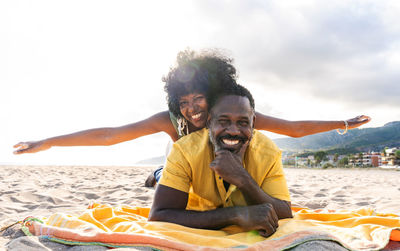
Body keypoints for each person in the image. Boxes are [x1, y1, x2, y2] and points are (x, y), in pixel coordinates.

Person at [13, 49, 370, 185]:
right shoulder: (171, 119)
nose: (192, 107)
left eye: (199, 97)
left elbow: (292, 129)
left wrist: (342, 124)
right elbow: (111, 135)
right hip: (183, 169)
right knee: (165, 177)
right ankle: (158, 172)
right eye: (184, 100)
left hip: (218, 171)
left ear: (213, 95)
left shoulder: (233, 118)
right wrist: (47, 142)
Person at [149, 84, 291, 237]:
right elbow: (159, 215)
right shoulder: (185, 150)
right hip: (176, 175)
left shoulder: (268, 152)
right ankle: (157, 172)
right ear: (209, 121)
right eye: (223, 121)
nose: (233, 131)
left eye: (243, 122)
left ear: (253, 122)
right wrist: (235, 215)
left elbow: (285, 211)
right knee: (161, 175)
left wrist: (242, 178)